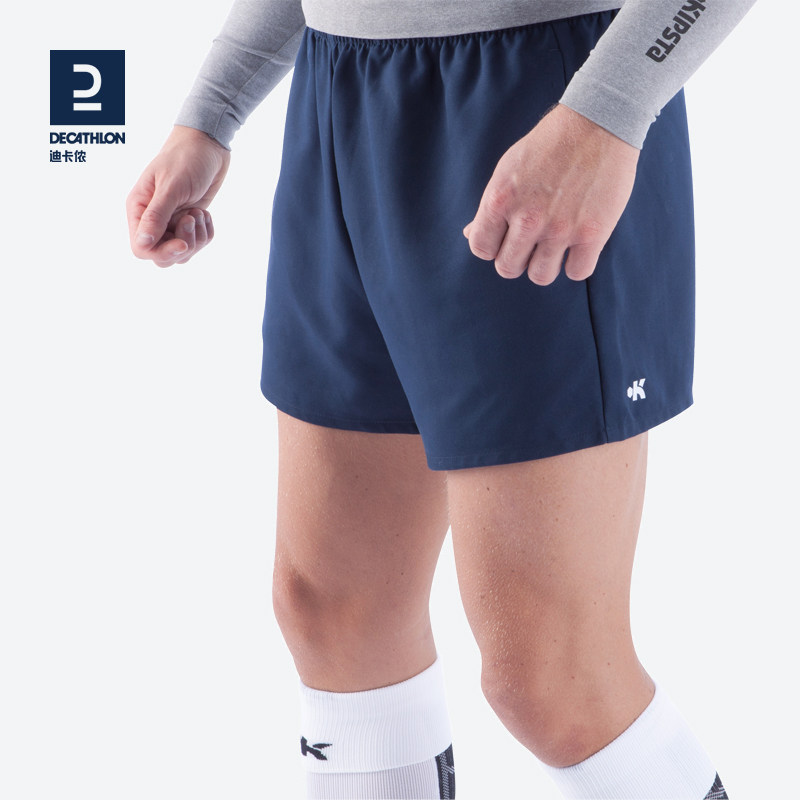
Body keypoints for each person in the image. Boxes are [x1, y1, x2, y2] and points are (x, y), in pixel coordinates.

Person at [126, 1, 757, 797]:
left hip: (545, 104)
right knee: (334, 614)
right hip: (340, 94)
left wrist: (610, 110)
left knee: (550, 676)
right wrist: (213, 108)